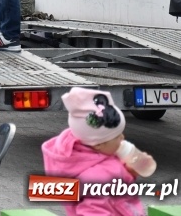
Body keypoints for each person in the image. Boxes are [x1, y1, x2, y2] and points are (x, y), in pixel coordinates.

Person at [42, 87, 148, 216]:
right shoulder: (95, 178)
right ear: (98, 144)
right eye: (116, 136)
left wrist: (130, 171)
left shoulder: (101, 154)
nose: (123, 138)